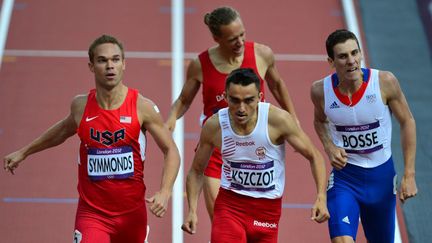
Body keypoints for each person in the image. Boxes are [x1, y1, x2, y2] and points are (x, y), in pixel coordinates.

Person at [3, 35, 180, 243]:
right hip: (92, 214)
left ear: (124, 64)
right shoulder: (80, 106)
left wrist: (165, 191)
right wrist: (24, 152)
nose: (110, 66)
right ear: (91, 66)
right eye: (102, 60)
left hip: (132, 214)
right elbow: (61, 131)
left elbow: (171, 151)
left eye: (115, 59)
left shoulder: (142, 107)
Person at [166, 6, 298, 220]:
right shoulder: (201, 65)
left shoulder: (261, 54)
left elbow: (277, 85)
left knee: (255, 223)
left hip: (258, 150)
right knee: (223, 220)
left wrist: (293, 118)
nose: (240, 43)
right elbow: (183, 100)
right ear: (217, 38)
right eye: (232, 39)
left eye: (242, 35)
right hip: (218, 148)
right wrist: (170, 119)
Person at [181, 68, 329, 242]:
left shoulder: (278, 120)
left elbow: (315, 156)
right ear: (226, 97)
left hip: (267, 212)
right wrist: (192, 210)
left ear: (259, 97)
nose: (241, 108)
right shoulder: (215, 126)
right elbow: (196, 171)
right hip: (230, 206)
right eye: (235, 100)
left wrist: (321, 196)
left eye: (249, 100)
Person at [310, 29, 418, 243]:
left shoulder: (384, 82)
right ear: (331, 62)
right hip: (345, 178)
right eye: (343, 56)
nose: (351, 61)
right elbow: (319, 121)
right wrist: (330, 147)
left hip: (382, 179)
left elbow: (407, 121)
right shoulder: (320, 91)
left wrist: (409, 174)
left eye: (354, 53)